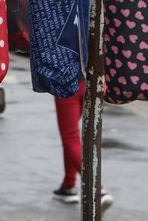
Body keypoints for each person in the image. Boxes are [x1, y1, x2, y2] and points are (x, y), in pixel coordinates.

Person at [52, 78, 113, 211]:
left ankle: (98, 189)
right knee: (74, 138)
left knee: (70, 137)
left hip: (67, 82)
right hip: (95, 82)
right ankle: (68, 185)